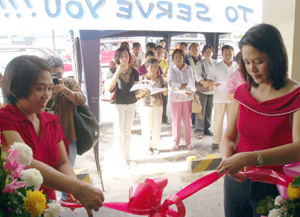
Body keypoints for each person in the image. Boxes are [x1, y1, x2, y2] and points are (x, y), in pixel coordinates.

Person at [0, 55, 104, 216]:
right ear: (18, 87)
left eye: (49, 88)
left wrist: (75, 189)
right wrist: (77, 187)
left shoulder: (51, 121)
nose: (46, 96)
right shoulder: (5, 119)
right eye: (40, 89)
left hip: (47, 206)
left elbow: (62, 163)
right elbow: (24, 163)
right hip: (16, 207)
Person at [216, 23, 300, 217]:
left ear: (276, 57)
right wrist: (228, 160)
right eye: (246, 62)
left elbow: (298, 148)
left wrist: (252, 157)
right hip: (238, 181)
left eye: (259, 61)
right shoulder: (242, 92)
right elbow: (228, 137)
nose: (252, 69)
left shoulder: (296, 96)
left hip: (277, 188)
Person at [46, 55, 86, 201]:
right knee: (49, 170)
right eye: (53, 74)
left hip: (69, 136)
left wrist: (64, 90)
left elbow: (81, 100)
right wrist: (50, 92)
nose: (56, 77)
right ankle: (51, 199)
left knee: (68, 167)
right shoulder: (45, 87)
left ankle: (66, 198)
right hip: (48, 138)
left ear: (63, 72)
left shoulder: (69, 83)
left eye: (59, 74)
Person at [107, 46, 139, 168]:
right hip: (118, 104)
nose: (124, 59)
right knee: (119, 132)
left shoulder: (134, 72)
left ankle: (128, 156)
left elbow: (136, 90)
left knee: (127, 131)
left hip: (131, 103)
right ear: (117, 58)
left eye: (126, 56)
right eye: (121, 56)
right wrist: (117, 73)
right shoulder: (112, 70)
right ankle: (121, 159)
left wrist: (144, 91)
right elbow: (109, 88)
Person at [205, 45, 238, 149]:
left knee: (232, 121)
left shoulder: (238, 67)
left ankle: (232, 140)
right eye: (226, 54)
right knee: (218, 120)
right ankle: (216, 141)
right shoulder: (217, 67)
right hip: (219, 97)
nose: (228, 56)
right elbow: (209, 80)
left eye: (230, 54)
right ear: (222, 54)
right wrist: (213, 84)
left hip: (234, 99)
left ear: (233, 54)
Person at [138, 58, 168, 155]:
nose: (153, 69)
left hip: (158, 105)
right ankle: (146, 146)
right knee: (146, 126)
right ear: (147, 67)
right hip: (145, 106)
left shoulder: (160, 78)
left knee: (156, 126)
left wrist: (165, 90)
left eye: (155, 67)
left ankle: (154, 145)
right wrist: (144, 91)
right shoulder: (142, 79)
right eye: (151, 67)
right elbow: (137, 94)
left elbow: (165, 92)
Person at [168, 49, 195, 150]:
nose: (178, 59)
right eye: (176, 57)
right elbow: (171, 83)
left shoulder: (188, 68)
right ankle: (176, 141)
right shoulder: (171, 70)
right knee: (176, 120)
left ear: (183, 58)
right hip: (175, 98)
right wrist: (185, 85)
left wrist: (185, 86)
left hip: (187, 97)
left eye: (180, 57)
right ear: (173, 59)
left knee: (187, 120)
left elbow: (192, 81)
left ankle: (189, 141)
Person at [194, 44, 217, 139]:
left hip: (212, 91)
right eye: (206, 52)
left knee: (209, 111)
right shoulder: (200, 63)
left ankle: (207, 129)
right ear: (203, 53)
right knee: (200, 111)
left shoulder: (216, 63)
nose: (208, 53)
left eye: (210, 51)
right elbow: (197, 76)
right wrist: (206, 84)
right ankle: (198, 130)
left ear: (213, 53)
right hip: (203, 91)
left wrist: (213, 85)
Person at [187, 42, 202, 127]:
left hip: (202, 85)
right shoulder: (187, 60)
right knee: (193, 103)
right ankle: (193, 122)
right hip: (192, 85)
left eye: (196, 49)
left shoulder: (203, 59)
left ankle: (200, 123)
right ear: (189, 51)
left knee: (201, 104)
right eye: (193, 49)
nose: (195, 51)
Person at [155, 45, 170, 124]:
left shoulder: (165, 62)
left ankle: (164, 118)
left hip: (164, 84)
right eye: (158, 51)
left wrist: (166, 75)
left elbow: (168, 72)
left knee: (165, 101)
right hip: (155, 84)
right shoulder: (153, 61)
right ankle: (157, 119)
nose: (160, 53)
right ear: (155, 52)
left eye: (161, 52)